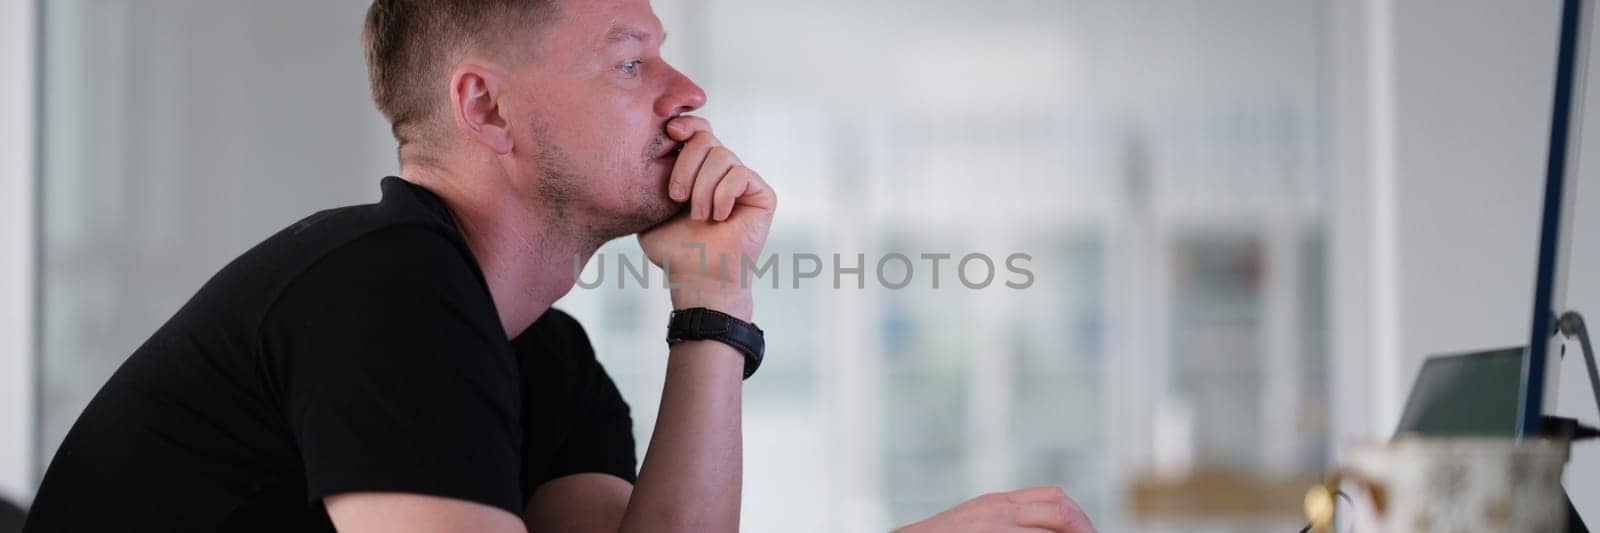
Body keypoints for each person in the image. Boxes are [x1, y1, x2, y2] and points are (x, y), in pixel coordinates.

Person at [24, 1, 1096, 532]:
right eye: (631, 62)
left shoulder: (542, 351)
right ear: (484, 107)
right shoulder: (385, 287)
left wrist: (714, 293)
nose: (687, 94)